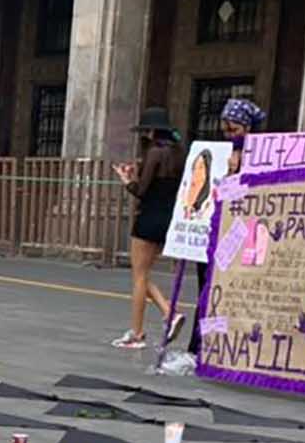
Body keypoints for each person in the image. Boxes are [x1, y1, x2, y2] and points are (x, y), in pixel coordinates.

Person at [191, 98, 266, 357]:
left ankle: (229, 348)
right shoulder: (220, 154)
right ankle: (200, 345)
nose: (230, 136)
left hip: (243, 237)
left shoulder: (260, 157)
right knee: (207, 291)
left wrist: (239, 173)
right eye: (226, 130)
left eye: (235, 130)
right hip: (215, 233)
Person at [111, 108, 184, 349]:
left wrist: (126, 180)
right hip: (166, 219)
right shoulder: (177, 153)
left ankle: (138, 332)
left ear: (151, 131)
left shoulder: (154, 152)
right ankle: (169, 313)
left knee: (139, 276)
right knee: (143, 274)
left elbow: (141, 191)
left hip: (148, 218)